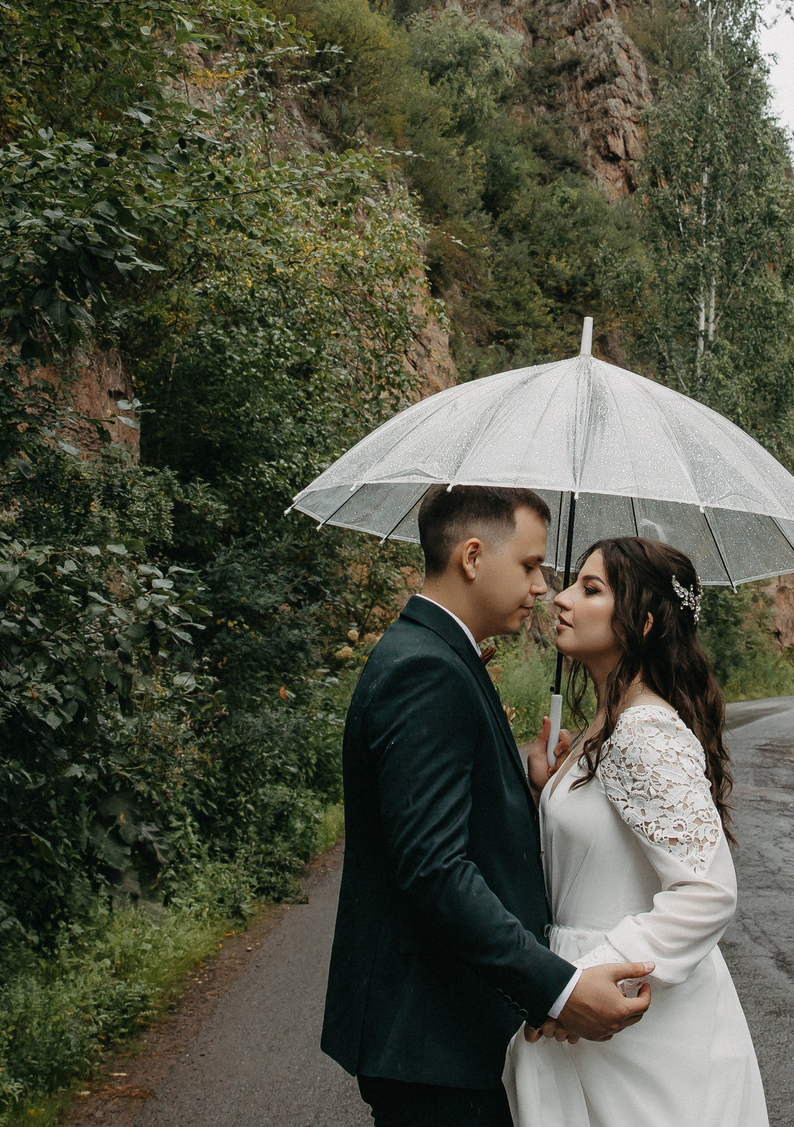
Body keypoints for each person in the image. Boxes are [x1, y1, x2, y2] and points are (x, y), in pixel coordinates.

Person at [322, 483, 657, 1127]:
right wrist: (556, 989)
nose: (541, 588)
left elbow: (450, 827)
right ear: (473, 557)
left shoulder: (433, 655)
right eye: (531, 565)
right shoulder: (426, 670)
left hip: (441, 1033)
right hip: (435, 1035)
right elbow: (435, 871)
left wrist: (529, 791)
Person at [505, 536, 769, 1126]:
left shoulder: (644, 730)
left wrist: (591, 975)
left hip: (631, 1014)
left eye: (590, 589)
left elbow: (708, 892)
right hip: (586, 998)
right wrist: (546, 788)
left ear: (643, 623)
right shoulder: (606, 725)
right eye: (571, 583)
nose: (561, 599)